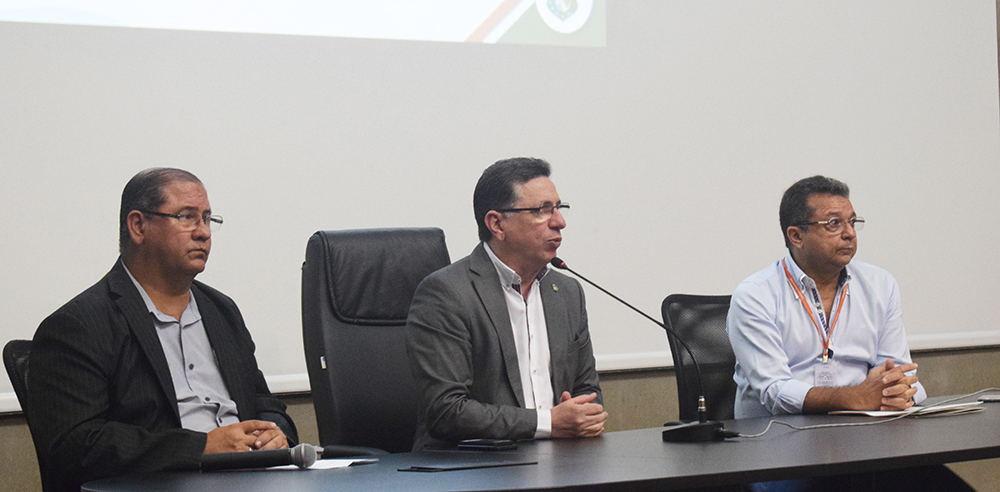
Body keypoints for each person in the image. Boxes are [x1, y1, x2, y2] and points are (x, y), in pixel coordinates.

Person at [27, 168, 297, 492]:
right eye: (187, 217)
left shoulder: (221, 311)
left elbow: (263, 402)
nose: (204, 233)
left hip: (256, 480)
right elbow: (76, 445)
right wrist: (202, 448)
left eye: (208, 219)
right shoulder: (79, 326)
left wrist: (275, 433)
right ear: (138, 226)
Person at [727, 175, 971, 492]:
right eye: (833, 223)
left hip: (866, 440)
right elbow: (774, 392)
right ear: (796, 235)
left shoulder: (880, 285)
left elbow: (895, 370)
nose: (849, 234)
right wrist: (855, 396)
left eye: (853, 222)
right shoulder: (755, 295)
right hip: (780, 447)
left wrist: (900, 390)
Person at [406, 157, 606, 451]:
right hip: (473, 469)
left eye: (558, 208)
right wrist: (549, 423)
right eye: (542, 210)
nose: (559, 222)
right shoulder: (446, 294)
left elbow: (588, 392)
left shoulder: (566, 292)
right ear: (497, 224)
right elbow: (447, 412)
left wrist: (582, 415)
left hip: (563, 464)